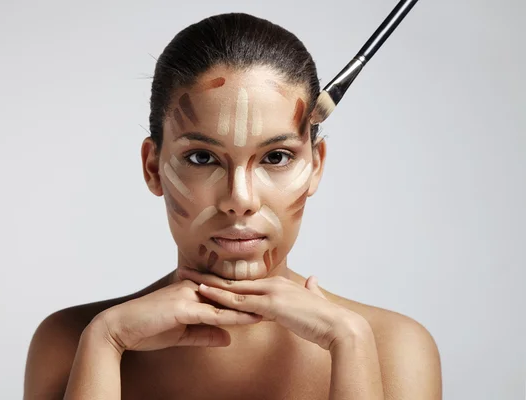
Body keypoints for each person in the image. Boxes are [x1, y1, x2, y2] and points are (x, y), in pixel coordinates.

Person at [24, 12, 442, 400]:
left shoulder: (394, 349)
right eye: (202, 158)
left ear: (316, 166)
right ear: (153, 167)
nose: (240, 200)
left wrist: (350, 346)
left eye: (276, 157)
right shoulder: (71, 341)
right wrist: (105, 343)